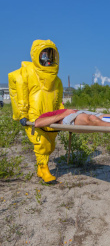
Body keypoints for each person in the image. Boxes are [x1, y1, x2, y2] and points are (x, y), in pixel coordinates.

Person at [8, 40, 64, 183]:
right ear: (37, 55)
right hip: (33, 116)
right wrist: (22, 114)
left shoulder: (57, 81)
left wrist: (62, 115)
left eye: (49, 55)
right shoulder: (27, 74)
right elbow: (21, 94)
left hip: (50, 117)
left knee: (50, 145)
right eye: (44, 55)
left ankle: (40, 168)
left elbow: (58, 100)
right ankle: (44, 169)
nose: (47, 59)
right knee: (41, 143)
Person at [34, 108, 110, 128]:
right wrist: (63, 115)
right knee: (92, 118)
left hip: (79, 112)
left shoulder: (60, 107)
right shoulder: (48, 114)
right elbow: (37, 123)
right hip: (69, 118)